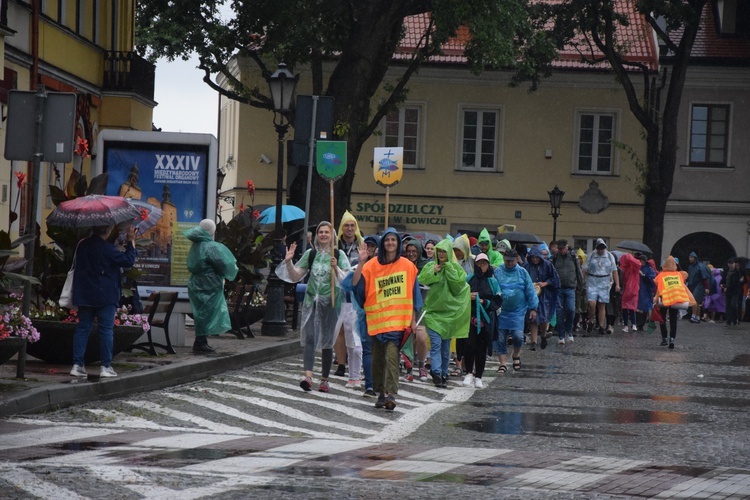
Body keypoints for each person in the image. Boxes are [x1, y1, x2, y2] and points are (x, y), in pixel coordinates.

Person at [349, 228, 422, 411]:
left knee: (391, 357)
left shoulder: (407, 266)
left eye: (393, 240)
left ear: (398, 243)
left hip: (398, 323)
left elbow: (414, 296)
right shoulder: (372, 265)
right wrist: (361, 262)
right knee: (377, 359)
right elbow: (357, 286)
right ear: (383, 244)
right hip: (376, 322)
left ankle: (390, 393)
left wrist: (413, 321)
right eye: (387, 240)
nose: (390, 243)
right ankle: (381, 393)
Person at [277, 221, 350, 392]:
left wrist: (336, 268)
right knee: (310, 337)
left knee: (327, 341)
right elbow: (296, 275)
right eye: (321, 232)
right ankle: (308, 377)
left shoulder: (339, 255)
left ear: (332, 236)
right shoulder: (311, 254)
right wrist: (288, 262)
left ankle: (324, 380)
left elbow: (347, 281)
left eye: (327, 232)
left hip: (331, 303)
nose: (323, 234)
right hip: (311, 302)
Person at [70, 225, 137, 378]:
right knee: (106, 330)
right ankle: (105, 366)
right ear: (107, 231)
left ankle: (77, 364)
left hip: (84, 293)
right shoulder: (107, 248)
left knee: (82, 329)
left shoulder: (81, 246)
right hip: (105, 295)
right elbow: (128, 261)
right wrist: (131, 242)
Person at [418, 238, 471, 388]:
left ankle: (443, 373)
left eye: (443, 251)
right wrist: (433, 272)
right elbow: (421, 280)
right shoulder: (430, 266)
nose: (441, 254)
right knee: (436, 344)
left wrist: (448, 269)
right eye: (439, 251)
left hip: (449, 315)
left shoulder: (455, 269)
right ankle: (436, 372)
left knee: (445, 346)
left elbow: (458, 286)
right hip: (433, 313)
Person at [184, 219, 239, 354]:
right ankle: (200, 342)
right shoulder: (212, 247)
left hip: (196, 283)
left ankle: (201, 341)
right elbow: (225, 265)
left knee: (200, 314)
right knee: (206, 313)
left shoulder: (196, 245)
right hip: (210, 284)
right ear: (212, 231)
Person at [493, 249, 538, 372]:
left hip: (518, 311)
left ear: (516, 260)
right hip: (501, 311)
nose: (509, 263)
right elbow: (492, 287)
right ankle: (502, 363)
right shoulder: (498, 272)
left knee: (518, 336)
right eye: (507, 261)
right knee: (501, 338)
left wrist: (533, 307)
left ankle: (516, 354)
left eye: (511, 261)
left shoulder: (522, 272)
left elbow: (530, 290)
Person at [332, 211, 364, 385]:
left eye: (352, 225)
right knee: (340, 330)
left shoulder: (362, 244)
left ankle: (355, 368)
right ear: (342, 228)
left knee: (355, 331)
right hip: (339, 292)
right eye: (346, 225)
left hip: (356, 293)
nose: (350, 229)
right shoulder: (335, 246)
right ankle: (341, 363)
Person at [464, 253, 502, 388]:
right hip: (470, 317)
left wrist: (483, 301)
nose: (482, 266)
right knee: (469, 345)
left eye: (484, 263)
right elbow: (461, 295)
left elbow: (498, 301)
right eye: (479, 263)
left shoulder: (493, 282)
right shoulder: (469, 278)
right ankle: (468, 372)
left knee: (482, 348)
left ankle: (479, 376)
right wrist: (468, 296)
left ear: (488, 265)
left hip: (486, 320)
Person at [523, 246, 559, 349]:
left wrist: (545, 283)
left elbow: (554, 278)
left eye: (536, 257)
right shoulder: (527, 266)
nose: (535, 260)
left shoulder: (547, 265)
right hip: (531, 294)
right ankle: (534, 342)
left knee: (543, 317)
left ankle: (543, 335)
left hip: (545, 295)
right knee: (532, 318)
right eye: (533, 257)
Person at [582, 238, 620, 335]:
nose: (600, 251)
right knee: (591, 303)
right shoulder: (591, 255)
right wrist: (582, 281)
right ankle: (591, 319)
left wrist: (617, 284)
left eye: (602, 249)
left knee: (602, 304)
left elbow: (614, 270)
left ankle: (601, 325)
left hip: (604, 281)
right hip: (592, 280)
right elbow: (585, 269)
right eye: (599, 249)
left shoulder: (609, 256)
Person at [653, 256, 690, 349]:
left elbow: (658, 287)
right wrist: (678, 266)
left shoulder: (661, 275)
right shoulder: (679, 275)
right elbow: (686, 274)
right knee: (673, 319)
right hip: (675, 299)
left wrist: (656, 298)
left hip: (664, 298)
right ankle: (672, 339)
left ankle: (664, 338)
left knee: (662, 318)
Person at [551, 239, 582, 344]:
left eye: (563, 248)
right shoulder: (555, 258)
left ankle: (569, 331)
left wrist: (580, 286)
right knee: (559, 312)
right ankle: (561, 334)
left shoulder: (573, 258)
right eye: (559, 249)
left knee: (571, 310)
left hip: (570, 288)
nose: (562, 250)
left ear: (567, 247)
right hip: (558, 289)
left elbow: (578, 272)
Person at [618, 252, 642, 332]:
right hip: (630, 290)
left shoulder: (633, 268)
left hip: (631, 290)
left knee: (630, 308)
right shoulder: (627, 268)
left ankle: (631, 324)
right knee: (628, 308)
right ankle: (629, 325)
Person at [687, 251, 711, 324]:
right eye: (689, 257)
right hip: (692, 285)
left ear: (695, 258)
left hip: (699, 285)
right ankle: (697, 317)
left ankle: (693, 316)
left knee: (695, 301)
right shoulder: (690, 267)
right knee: (696, 302)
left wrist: (706, 287)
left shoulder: (700, 267)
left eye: (691, 257)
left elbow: (704, 278)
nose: (690, 259)